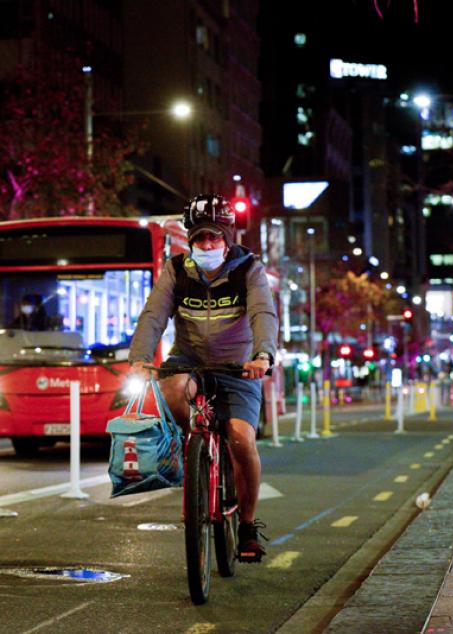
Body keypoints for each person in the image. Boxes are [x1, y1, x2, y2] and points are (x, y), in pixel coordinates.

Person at [128, 193, 279, 562]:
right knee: (174, 387)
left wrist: (262, 355)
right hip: (189, 361)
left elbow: (263, 313)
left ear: (227, 238)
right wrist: (139, 358)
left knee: (242, 438)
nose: (207, 244)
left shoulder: (249, 269)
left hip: (238, 368)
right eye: (199, 238)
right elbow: (153, 316)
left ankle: (245, 527)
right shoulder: (176, 270)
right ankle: (194, 448)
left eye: (214, 237)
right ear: (191, 240)